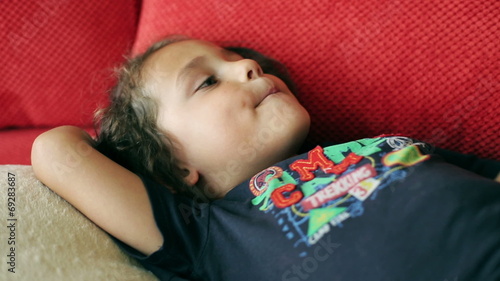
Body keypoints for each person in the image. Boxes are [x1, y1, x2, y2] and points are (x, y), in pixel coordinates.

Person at [31, 37, 500, 281]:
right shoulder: (207, 230)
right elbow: (54, 152)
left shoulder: (385, 143)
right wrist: (135, 151)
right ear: (176, 166)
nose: (246, 67)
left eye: (234, 59)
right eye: (207, 82)